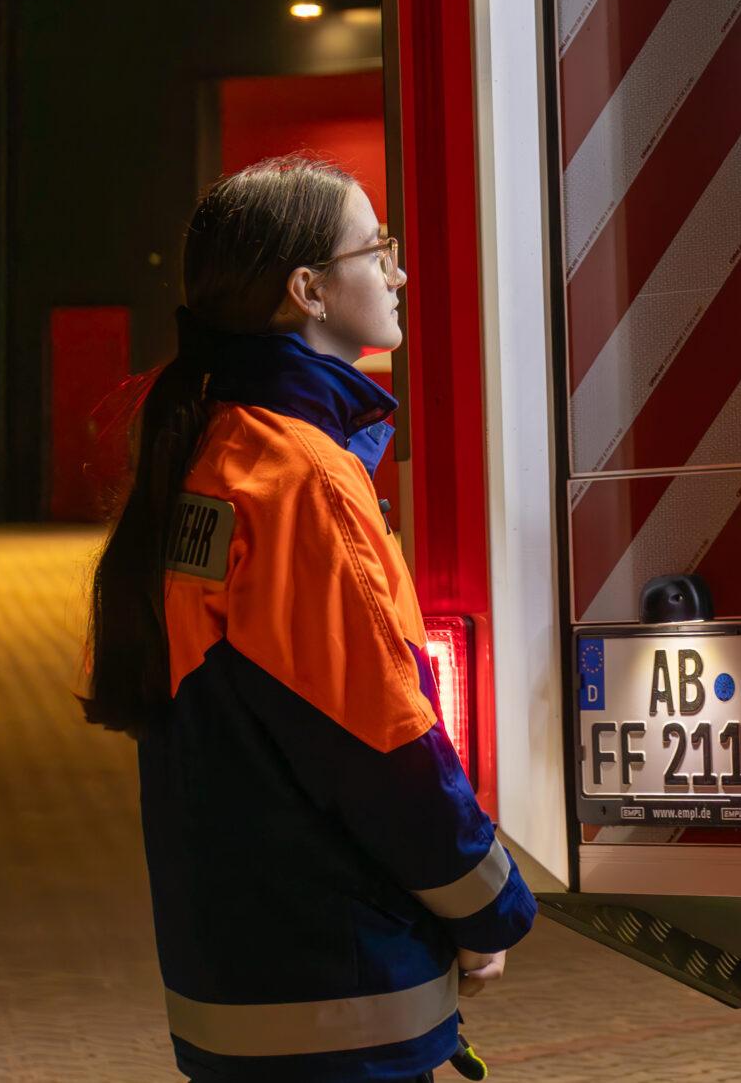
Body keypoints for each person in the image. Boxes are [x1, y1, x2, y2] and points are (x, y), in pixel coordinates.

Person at [83, 156, 534, 1083]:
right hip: (340, 998)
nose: (398, 271)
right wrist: (490, 908)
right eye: (378, 248)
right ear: (309, 291)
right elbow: (383, 743)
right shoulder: (302, 482)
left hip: (242, 990)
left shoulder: (214, 453)